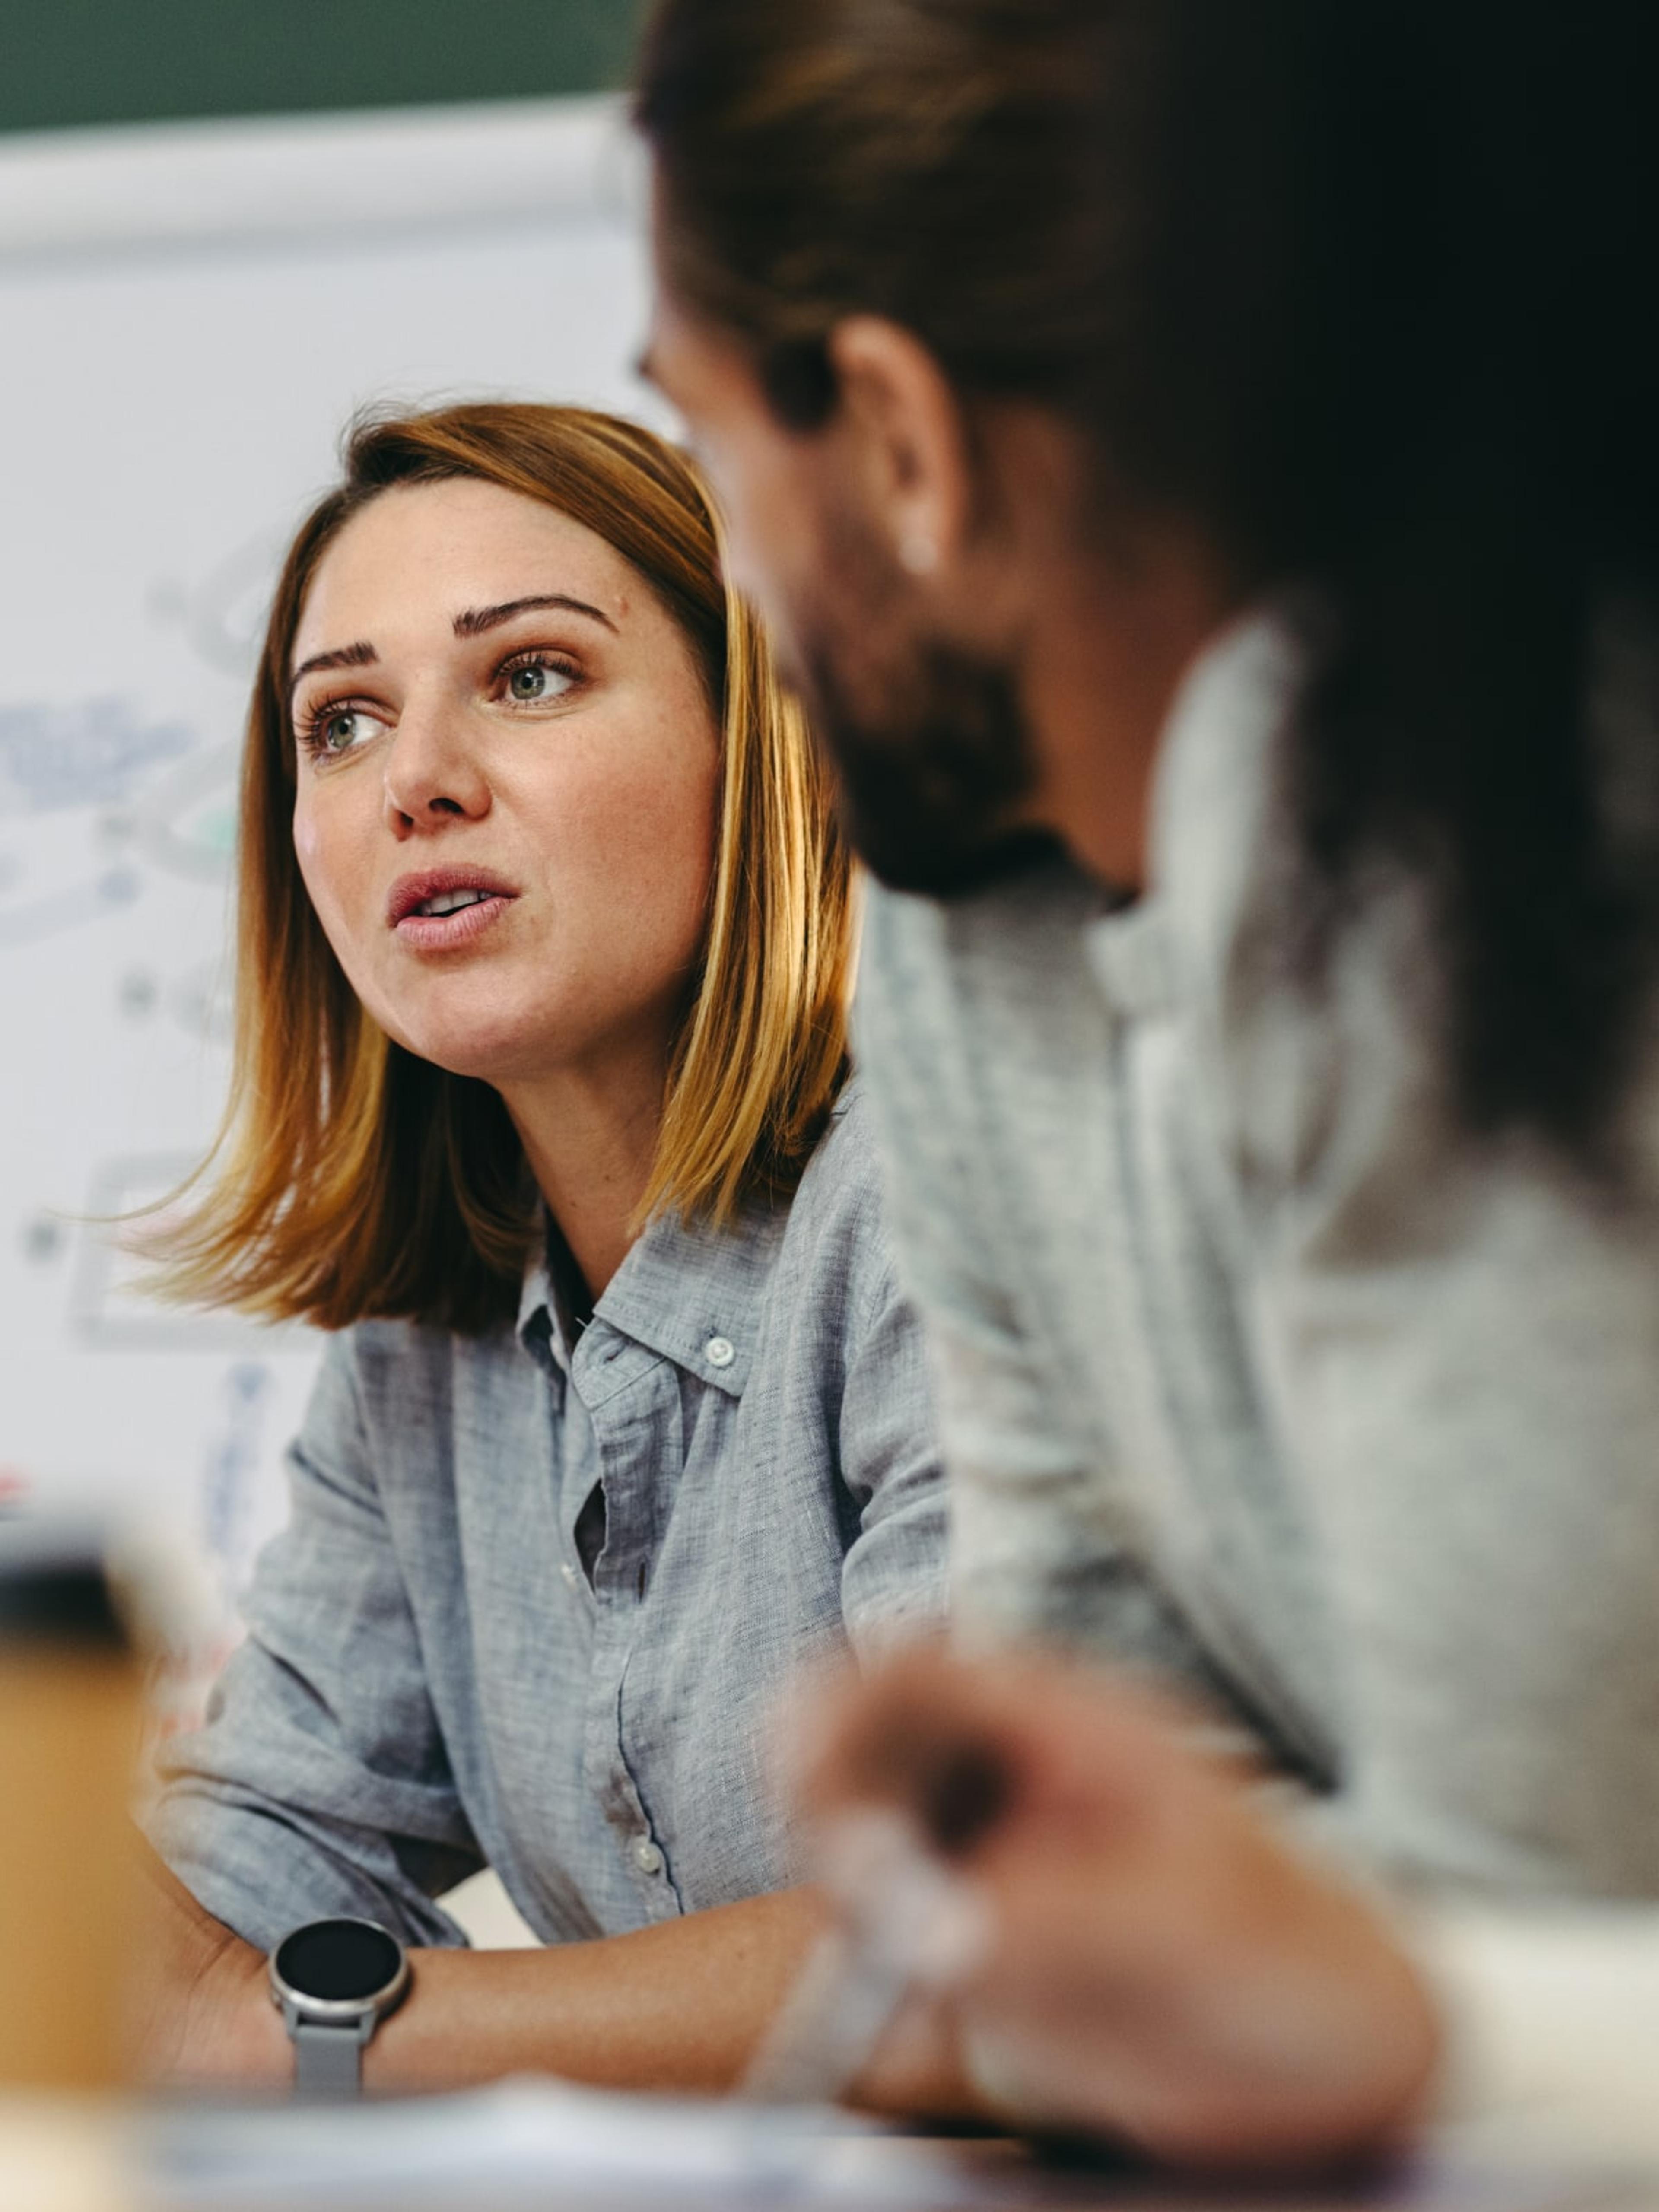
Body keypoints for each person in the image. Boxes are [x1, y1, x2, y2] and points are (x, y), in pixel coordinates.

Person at [633, 0, 1659, 2165]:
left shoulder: (1472, 832)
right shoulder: (958, 937)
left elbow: (1520, 1902)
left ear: (900, 443)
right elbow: (1095, 1899)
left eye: (713, 451)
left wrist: (1315, 1986)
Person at [137, 401, 949, 2098]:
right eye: (341, 722)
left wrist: (326, 2027)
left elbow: (1003, 1937)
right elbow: (244, 1891)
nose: (417, 781)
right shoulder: (420, 1349)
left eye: (529, 675)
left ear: (765, 745)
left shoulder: (948, 1211)